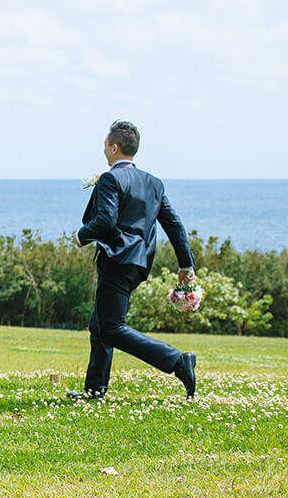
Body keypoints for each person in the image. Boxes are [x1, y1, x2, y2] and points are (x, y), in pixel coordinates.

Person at [69, 120, 198, 399]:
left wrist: (81, 235)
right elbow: (174, 224)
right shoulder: (154, 183)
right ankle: (94, 389)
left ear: (114, 148)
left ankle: (177, 361)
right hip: (139, 263)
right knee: (100, 323)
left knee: (112, 328)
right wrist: (185, 265)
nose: (103, 148)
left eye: (105, 144)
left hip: (117, 260)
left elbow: (105, 220)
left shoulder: (111, 179)